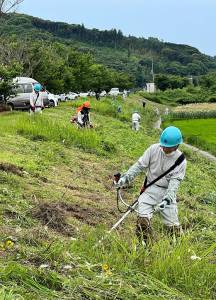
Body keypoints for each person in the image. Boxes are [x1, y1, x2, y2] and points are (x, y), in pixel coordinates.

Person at [114, 126, 187, 245]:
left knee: (173, 228)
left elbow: (174, 183)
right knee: (142, 221)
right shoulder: (154, 149)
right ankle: (146, 247)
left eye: (168, 147)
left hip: (166, 192)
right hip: (149, 189)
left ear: (177, 146)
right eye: (163, 145)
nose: (164, 148)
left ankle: (179, 249)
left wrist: (167, 200)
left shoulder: (180, 160)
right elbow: (139, 166)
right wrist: (125, 179)